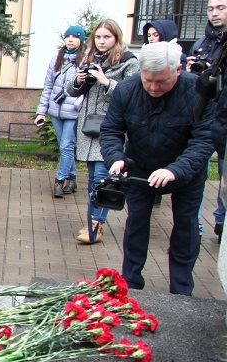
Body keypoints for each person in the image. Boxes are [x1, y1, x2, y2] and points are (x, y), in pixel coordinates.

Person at [100, 41, 214, 296]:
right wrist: (115, 158)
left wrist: (175, 170)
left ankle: (182, 290)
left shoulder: (199, 93)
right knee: (136, 223)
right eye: (148, 79)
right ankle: (130, 284)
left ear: (178, 69)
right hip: (139, 167)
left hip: (186, 172)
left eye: (161, 81)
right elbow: (111, 130)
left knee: (186, 227)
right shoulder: (127, 90)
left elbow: (204, 140)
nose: (153, 87)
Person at [67, 19, 138, 246]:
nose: (102, 41)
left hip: (112, 129)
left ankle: (96, 225)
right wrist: (78, 80)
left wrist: (107, 81)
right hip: (89, 128)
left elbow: (134, 95)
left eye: (106, 37)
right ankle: (92, 221)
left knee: (102, 178)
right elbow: (72, 91)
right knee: (92, 179)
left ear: (116, 38)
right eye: (98, 37)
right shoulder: (90, 58)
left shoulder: (128, 62)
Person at [189, 0, 227, 237]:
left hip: (223, 118)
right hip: (207, 113)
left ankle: (221, 221)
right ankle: (197, 227)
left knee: (224, 175)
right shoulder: (203, 42)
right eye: (211, 8)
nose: (214, 13)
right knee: (198, 171)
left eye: (221, 8)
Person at [35, 26, 85, 198]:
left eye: (74, 36)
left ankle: (60, 180)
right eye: (67, 36)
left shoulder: (85, 60)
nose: (70, 39)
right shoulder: (57, 58)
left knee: (66, 146)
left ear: (81, 39)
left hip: (73, 111)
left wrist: (79, 103)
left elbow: (88, 88)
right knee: (65, 147)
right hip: (56, 110)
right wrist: (41, 112)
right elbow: (48, 86)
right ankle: (72, 179)